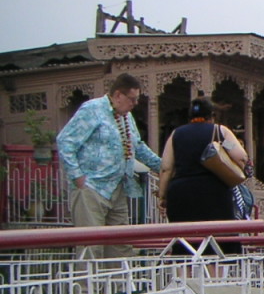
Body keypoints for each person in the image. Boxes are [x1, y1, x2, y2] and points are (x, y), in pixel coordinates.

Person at [56, 72, 162, 259]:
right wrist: (78, 178)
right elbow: (65, 141)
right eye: (132, 99)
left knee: (121, 246)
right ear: (118, 95)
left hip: (117, 188)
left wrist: (163, 166)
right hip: (92, 188)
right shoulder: (92, 109)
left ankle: (120, 288)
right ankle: (86, 289)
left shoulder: (125, 117)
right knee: (91, 247)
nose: (134, 104)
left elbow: (137, 146)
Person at [156, 97, 248, 252]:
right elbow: (241, 156)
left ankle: (183, 276)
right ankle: (214, 276)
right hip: (214, 193)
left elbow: (166, 168)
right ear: (211, 115)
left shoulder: (176, 134)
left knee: (184, 244)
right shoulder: (219, 132)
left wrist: (163, 196)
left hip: (182, 194)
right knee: (217, 244)